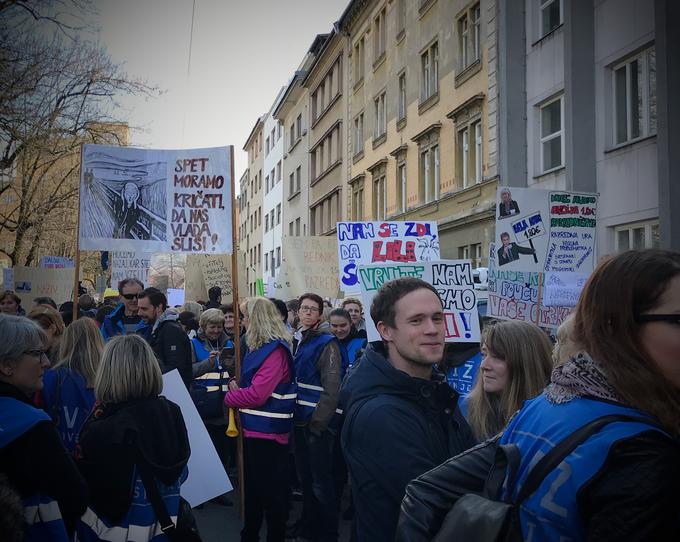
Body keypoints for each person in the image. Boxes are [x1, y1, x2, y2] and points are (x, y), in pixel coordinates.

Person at [399, 249, 680, 540]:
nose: (484, 365)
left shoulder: (541, 405)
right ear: (617, 327)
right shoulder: (643, 453)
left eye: (497, 356)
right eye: (678, 320)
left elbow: (426, 491)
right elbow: (425, 491)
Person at [340, 278, 476, 542]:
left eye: (437, 318)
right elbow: (443, 508)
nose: (432, 329)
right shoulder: (381, 414)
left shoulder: (434, 391)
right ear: (386, 331)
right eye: (416, 320)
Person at [75, 334, 190, 542]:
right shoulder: (171, 412)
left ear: (107, 373)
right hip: (163, 529)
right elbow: (182, 474)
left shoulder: (105, 429)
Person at [0, 315, 88, 540]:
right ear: (7, 365)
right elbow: (75, 495)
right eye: (37, 354)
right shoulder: (31, 425)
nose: (46, 363)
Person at [224, 297, 296, 542]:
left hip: (269, 433)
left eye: (244, 316)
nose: (241, 321)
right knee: (254, 491)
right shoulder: (261, 348)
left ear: (256, 319)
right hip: (255, 430)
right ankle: (250, 534)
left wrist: (232, 397)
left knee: (271, 495)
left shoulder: (275, 351)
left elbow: (258, 394)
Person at [291, 292, 345, 542]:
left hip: (314, 424)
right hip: (300, 420)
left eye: (313, 309)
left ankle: (327, 534)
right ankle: (308, 525)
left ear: (320, 314)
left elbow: (332, 387)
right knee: (307, 479)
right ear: (299, 312)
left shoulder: (327, 343)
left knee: (321, 483)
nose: (308, 312)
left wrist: (318, 423)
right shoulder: (301, 339)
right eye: (304, 308)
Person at [465, 320, 553, 440]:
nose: (483, 366)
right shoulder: (467, 411)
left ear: (526, 363)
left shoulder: (551, 420)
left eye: (497, 357)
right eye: (483, 355)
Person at [41, 318, 104, 453]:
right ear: (98, 342)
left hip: (59, 454)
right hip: (95, 456)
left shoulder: (50, 378)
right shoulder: (108, 380)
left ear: (67, 343)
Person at [137, 287, 193, 387]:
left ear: (158, 307)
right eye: (139, 308)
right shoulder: (155, 329)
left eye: (144, 309)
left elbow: (175, 369)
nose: (139, 313)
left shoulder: (171, 331)